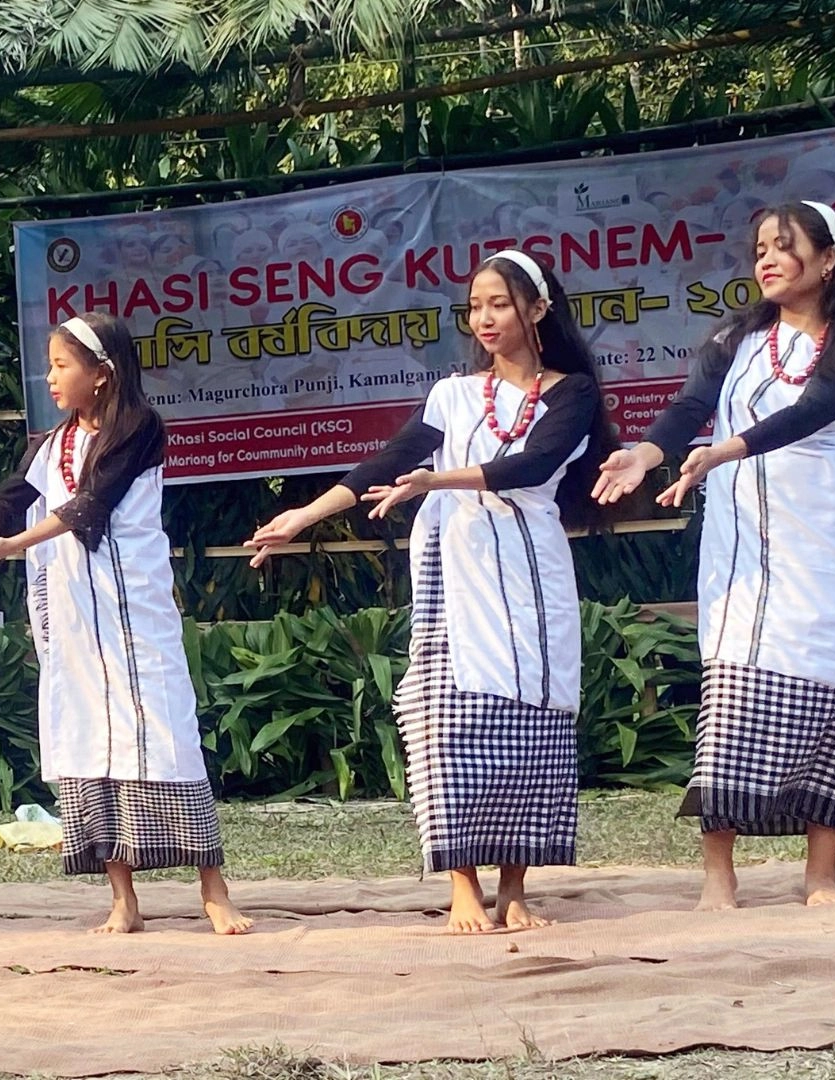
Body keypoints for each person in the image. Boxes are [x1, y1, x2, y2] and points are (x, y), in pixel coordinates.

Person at [249, 251, 614, 933]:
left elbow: (532, 463)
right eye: (476, 306)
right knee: (442, 721)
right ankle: (462, 886)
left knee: (526, 722)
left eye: (500, 303)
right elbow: (389, 461)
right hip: (455, 573)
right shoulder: (454, 395)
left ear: (538, 310)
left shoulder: (572, 393)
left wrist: (432, 482)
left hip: (528, 569)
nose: (484, 318)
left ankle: (515, 889)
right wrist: (301, 517)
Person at [0, 312, 254, 936]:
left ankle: (212, 889)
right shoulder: (49, 444)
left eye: (62, 365)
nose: (51, 377)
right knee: (86, 739)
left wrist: (9, 546)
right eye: (51, 365)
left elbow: (92, 505)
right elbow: (4, 504)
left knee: (164, 736)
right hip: (74, 621)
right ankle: (123, 899)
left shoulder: (140, 430)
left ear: (103, 375)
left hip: (133, 615)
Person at [594, 200, 835, 910]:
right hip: (742, 540)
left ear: (828, 260)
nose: (766, 258)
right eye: (760, 246)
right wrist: (647, 451)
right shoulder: (737, 338)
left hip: (825, 530)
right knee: (734, 684)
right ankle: (717, 876)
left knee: (834, 681)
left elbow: (810, 413)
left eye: (783, 246)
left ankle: (821, 874)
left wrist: (723, 449)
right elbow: (687, 407)